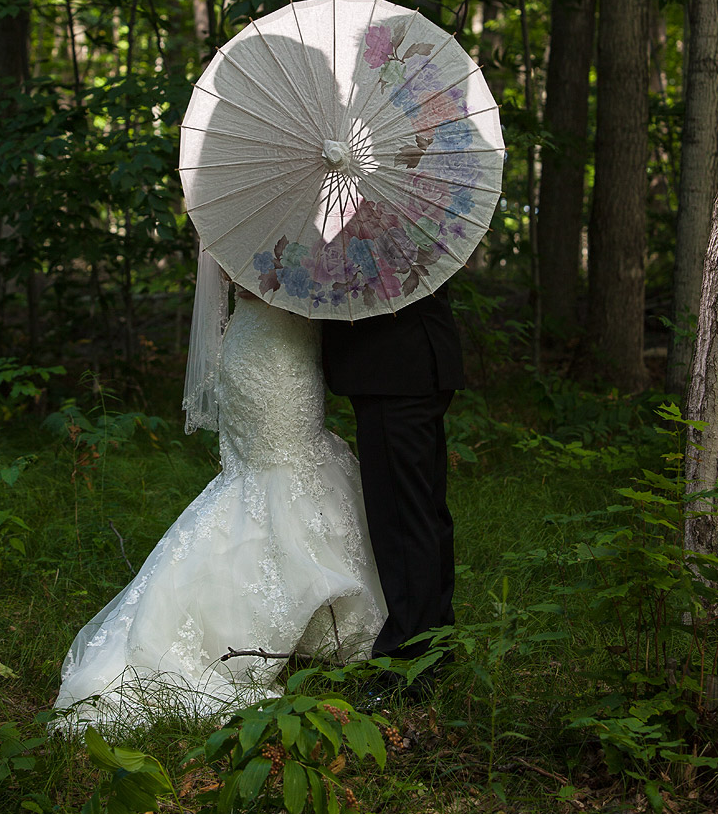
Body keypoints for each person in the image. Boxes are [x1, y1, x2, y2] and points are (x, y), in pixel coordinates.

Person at [50, 250, 385, 731]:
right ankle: (261, 623)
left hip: (287, 348)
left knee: (295, 466)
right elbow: (248, 281)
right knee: (273, 474)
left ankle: (316, 622)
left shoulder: (295, 207)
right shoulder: (253, 217)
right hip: (269, 351)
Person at [321, 287, 464, 692]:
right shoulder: (400, 226)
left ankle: (407, 666)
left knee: (401, 520)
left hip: (394, 367)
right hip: (411, 363)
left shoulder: (369, 226)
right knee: (423, 513)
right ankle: (435, 642)